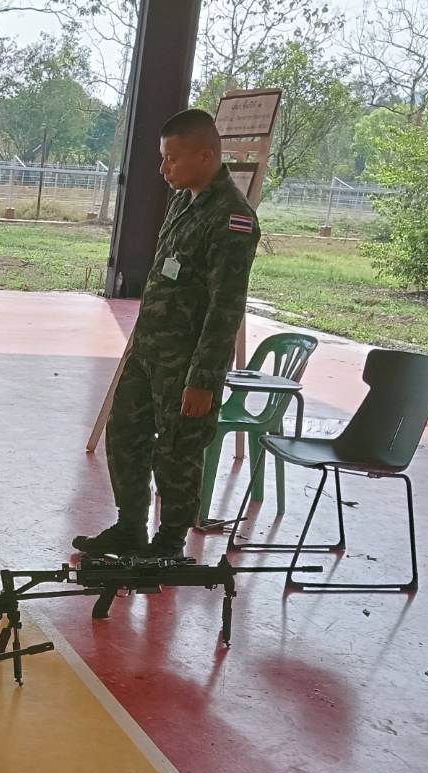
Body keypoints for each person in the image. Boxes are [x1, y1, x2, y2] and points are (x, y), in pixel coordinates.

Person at [74, 109, 260, 560]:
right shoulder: (183, 201)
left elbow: (225, 307)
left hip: (187, 362)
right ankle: (132, 527)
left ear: (205, 155)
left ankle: (170, 542)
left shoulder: (232, 218)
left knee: (177, 449)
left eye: (172, 160)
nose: (163, 169)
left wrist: (204, 379)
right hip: (150, 349)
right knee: (125, 434)